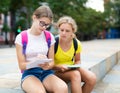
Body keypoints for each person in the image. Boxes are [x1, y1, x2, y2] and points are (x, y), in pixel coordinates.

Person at [15, 6, 68, 93]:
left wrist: (48, 65)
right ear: (34, 17)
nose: (44, 27)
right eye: (42, 23)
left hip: (46, 72)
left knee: (63, 88)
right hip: (29, 74)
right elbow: (21, 65)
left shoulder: (49, 37)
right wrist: (35, 62)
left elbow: (52, 62)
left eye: (47, 25)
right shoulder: (21, 37)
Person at [53, 16, 96, 93]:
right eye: (61, 30)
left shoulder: (76, 43)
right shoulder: (54, 42)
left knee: (92, 78)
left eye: (67, 31)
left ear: (73, 31)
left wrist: (73, 66)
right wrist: (59, 67)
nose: (63, 33)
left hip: (70, 68)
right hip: (56, 71)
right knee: (75, 74)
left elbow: (78, 60)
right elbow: (48, 64)